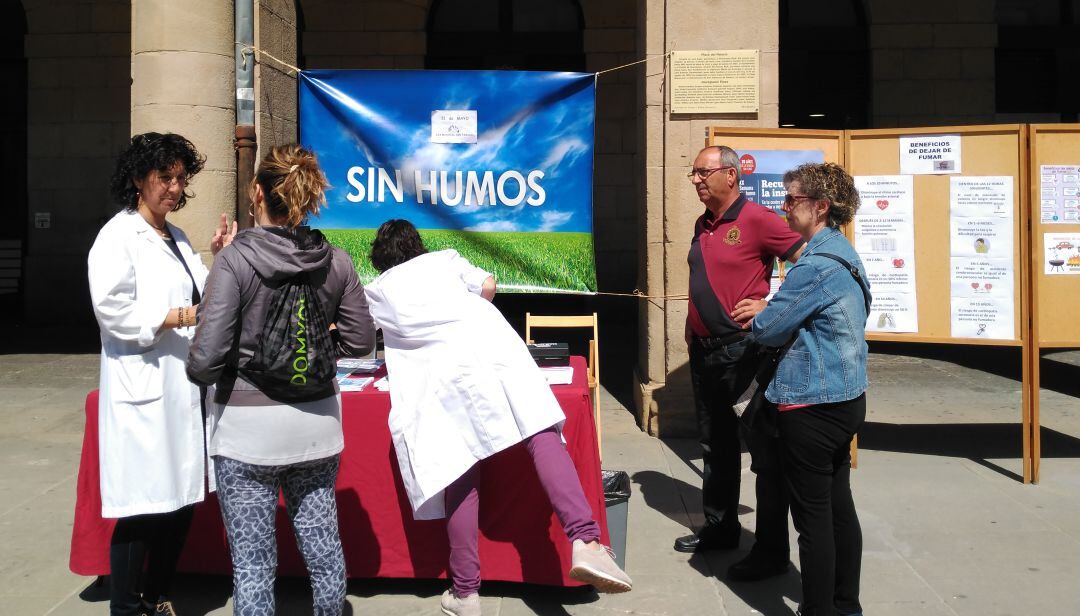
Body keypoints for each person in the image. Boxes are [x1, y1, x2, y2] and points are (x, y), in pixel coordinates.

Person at [362, 219, 632, 616]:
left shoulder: (378, 289)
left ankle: (466, 592)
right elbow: (488, 287)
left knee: (456, 469)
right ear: (417, 246)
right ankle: (586, 541)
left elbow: (359, 332)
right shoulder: (445, 259)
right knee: (539, 430)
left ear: (380, 258)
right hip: (492, 347)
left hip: (439, 378)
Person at [187, 144, 376, 616]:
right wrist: (311, 353)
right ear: (306, 198)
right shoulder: (336, 261)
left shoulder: (233, 262)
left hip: (246, 434)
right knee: (323, 548)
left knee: (253, 566)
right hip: (318, 427)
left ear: (257, 192)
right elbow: (360, 342)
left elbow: (205, 361)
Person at [89, 132, 229, 616]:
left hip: (181, 384)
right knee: (143, 504)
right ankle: (127, 606)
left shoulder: (178, 237)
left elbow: (205, 295)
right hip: (144, 385)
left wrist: (218, 255)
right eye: (163, 177)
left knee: (181, 497)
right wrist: (178, 317)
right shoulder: (117, 236)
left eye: (179, 177)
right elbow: (112, 308)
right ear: (136, 179)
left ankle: (158, 595)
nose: (174, 186)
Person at [676, 145, 805, 582]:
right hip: (704, 350)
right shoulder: (703, 224)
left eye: (702, 172)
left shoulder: (758, 219)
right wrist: (692, 325)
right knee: (715, 445)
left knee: (765, 454)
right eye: (693, 173)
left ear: (730, 175)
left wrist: (770, 304)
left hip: (741, 352)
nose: (695, 179)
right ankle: (720, 528)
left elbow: (810, 260)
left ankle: (771, 551)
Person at [750, 162, 870, 616]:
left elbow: (768, 327)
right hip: (846, 398)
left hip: (811, 404)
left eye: (791, 199)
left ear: (820, 206)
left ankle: (819, 609)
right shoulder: (843, 252)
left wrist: (763, 309)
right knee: (839, 507)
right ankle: (846, 603)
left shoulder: (815, 264)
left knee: (813, 519)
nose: (783, 207)